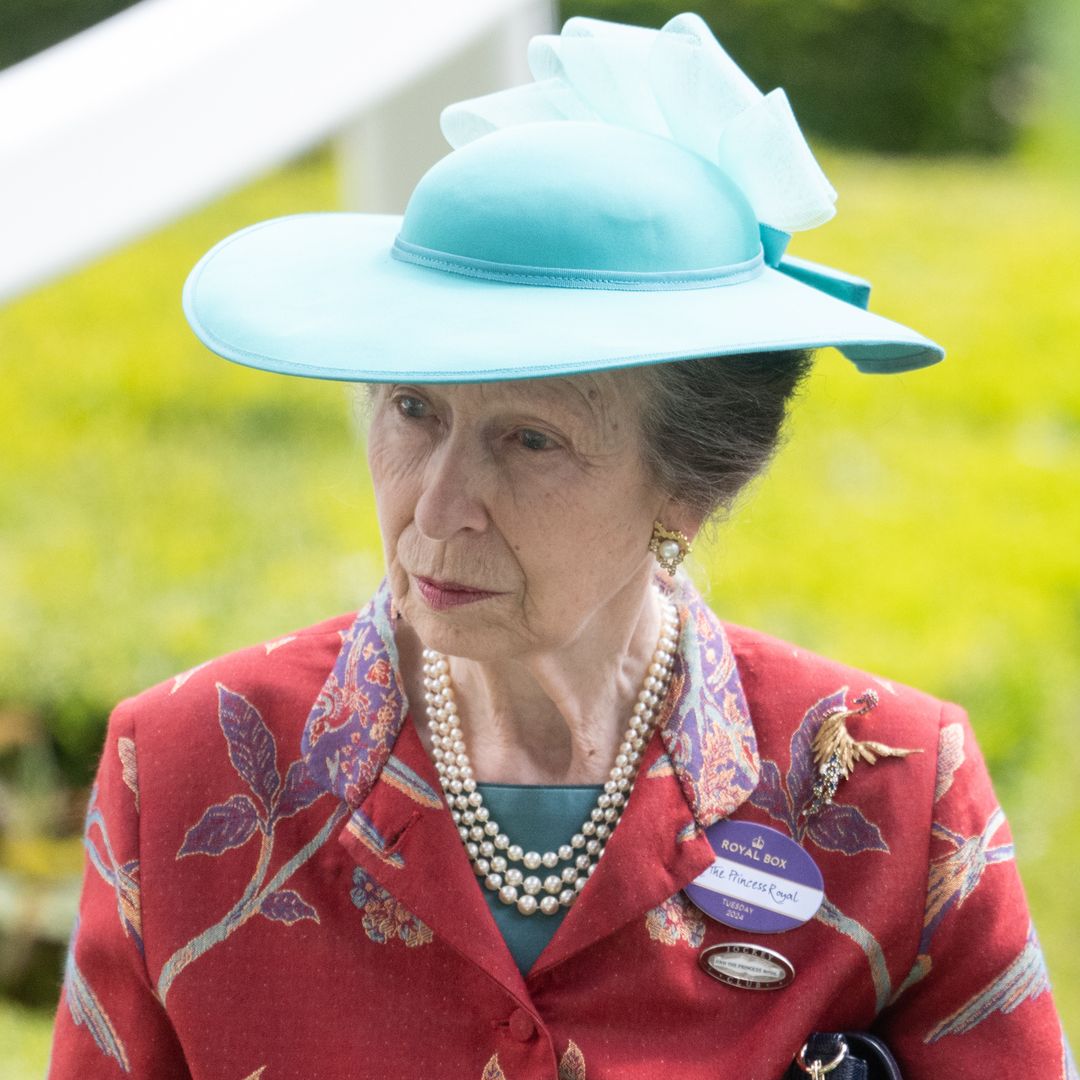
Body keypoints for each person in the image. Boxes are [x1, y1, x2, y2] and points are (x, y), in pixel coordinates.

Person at [49, 13, 1070, 1079]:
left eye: (530, 440)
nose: (439, 509)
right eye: (413, 410)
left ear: (693, 482)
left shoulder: (897, 794)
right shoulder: (177, 768)